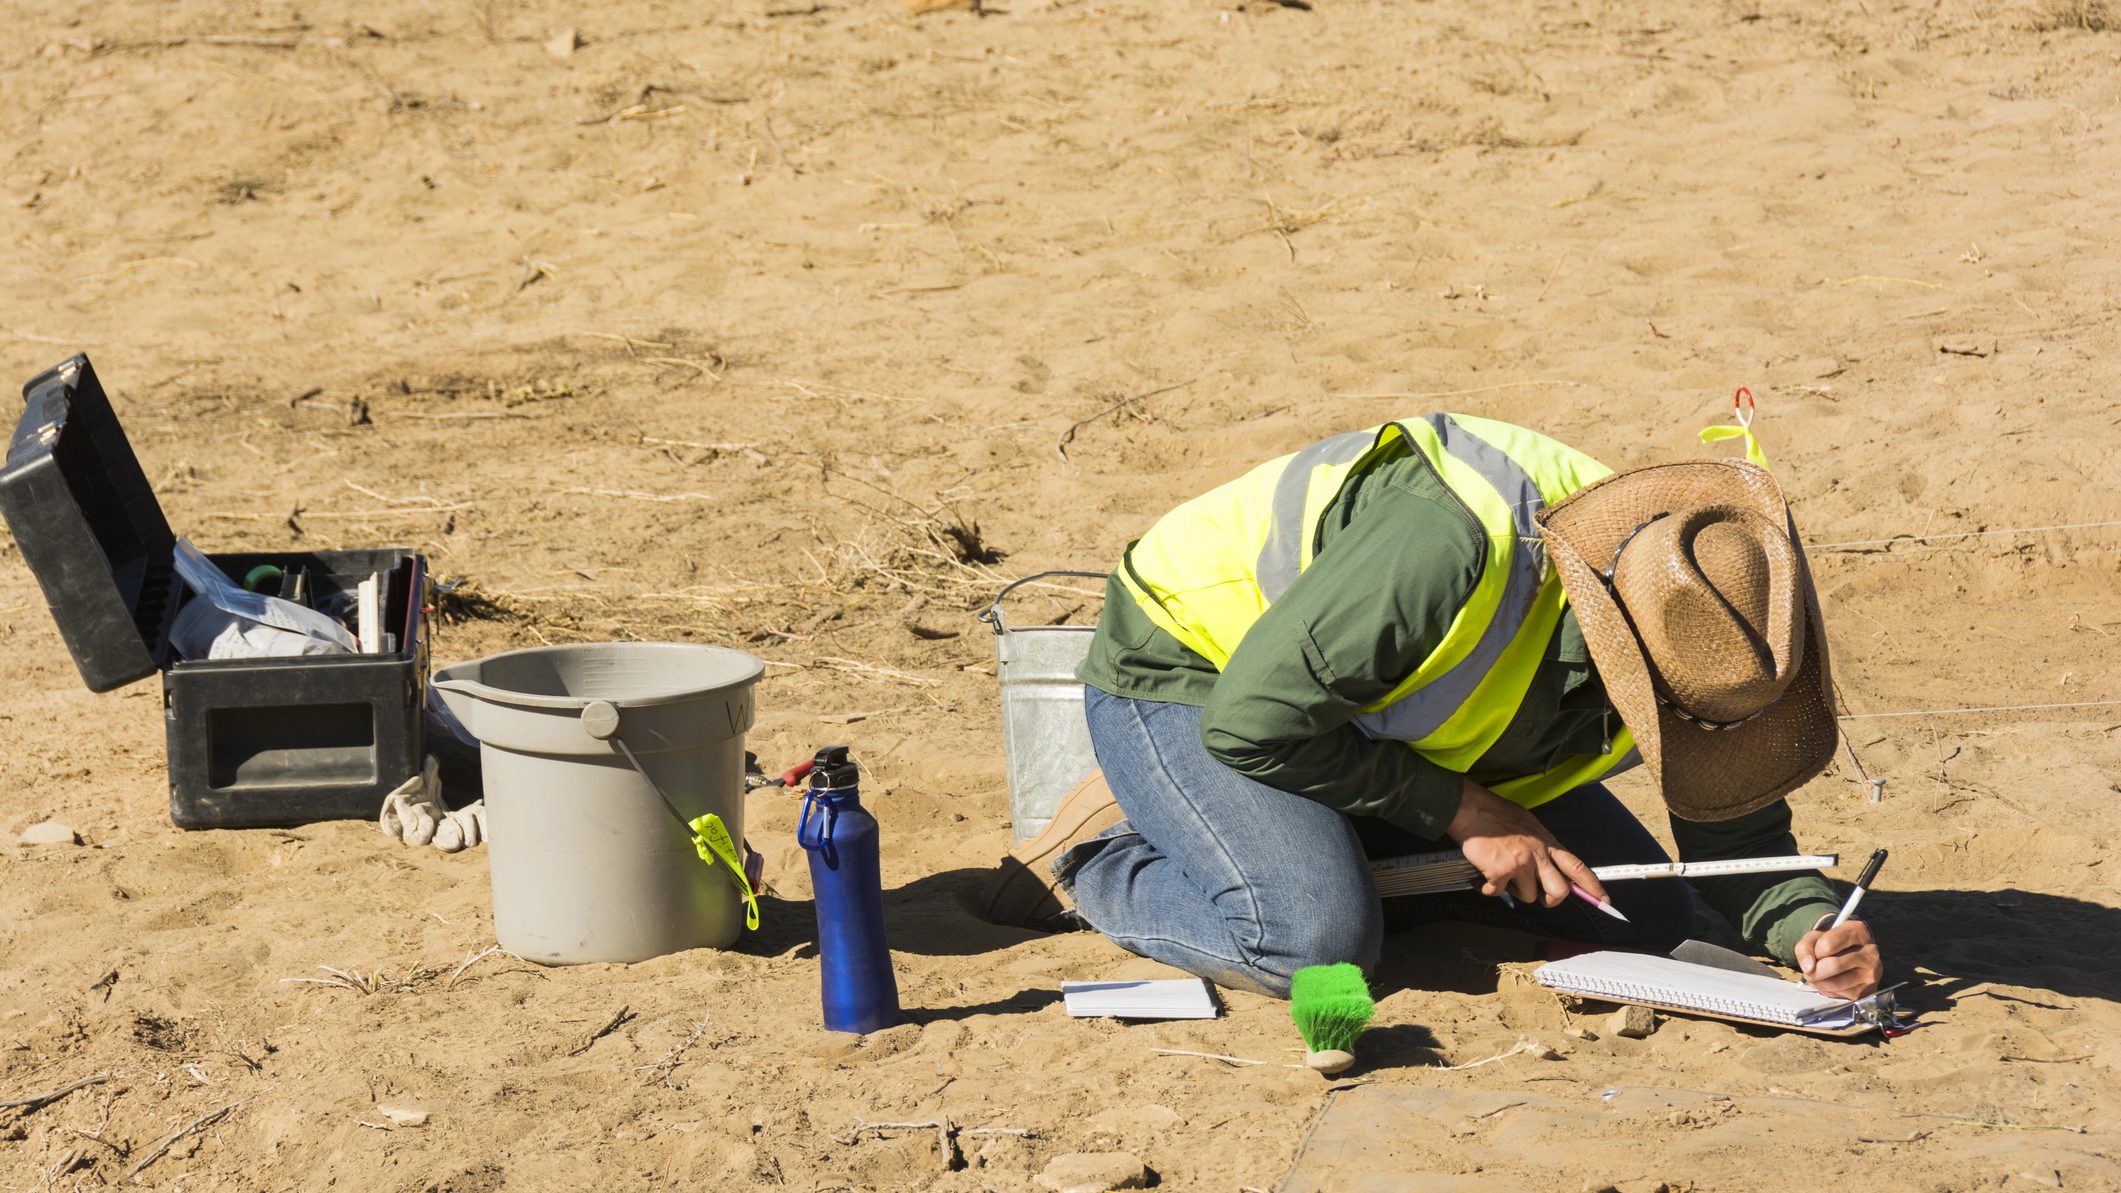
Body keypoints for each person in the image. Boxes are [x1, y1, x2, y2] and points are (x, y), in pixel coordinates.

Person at [980, 413, 1883, 1002]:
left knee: (1646, 920)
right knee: (1311, 946)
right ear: (1607, 641)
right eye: (1670, 719)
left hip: (1363, 722)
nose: (1685, 738)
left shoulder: (1718, 616)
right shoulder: (1450, 548)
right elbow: (1250, 723)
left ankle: (1311, 835)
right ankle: (1101, 851)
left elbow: (1734, 825)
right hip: (1197, 678)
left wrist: (1811, 926)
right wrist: (1467, 811)